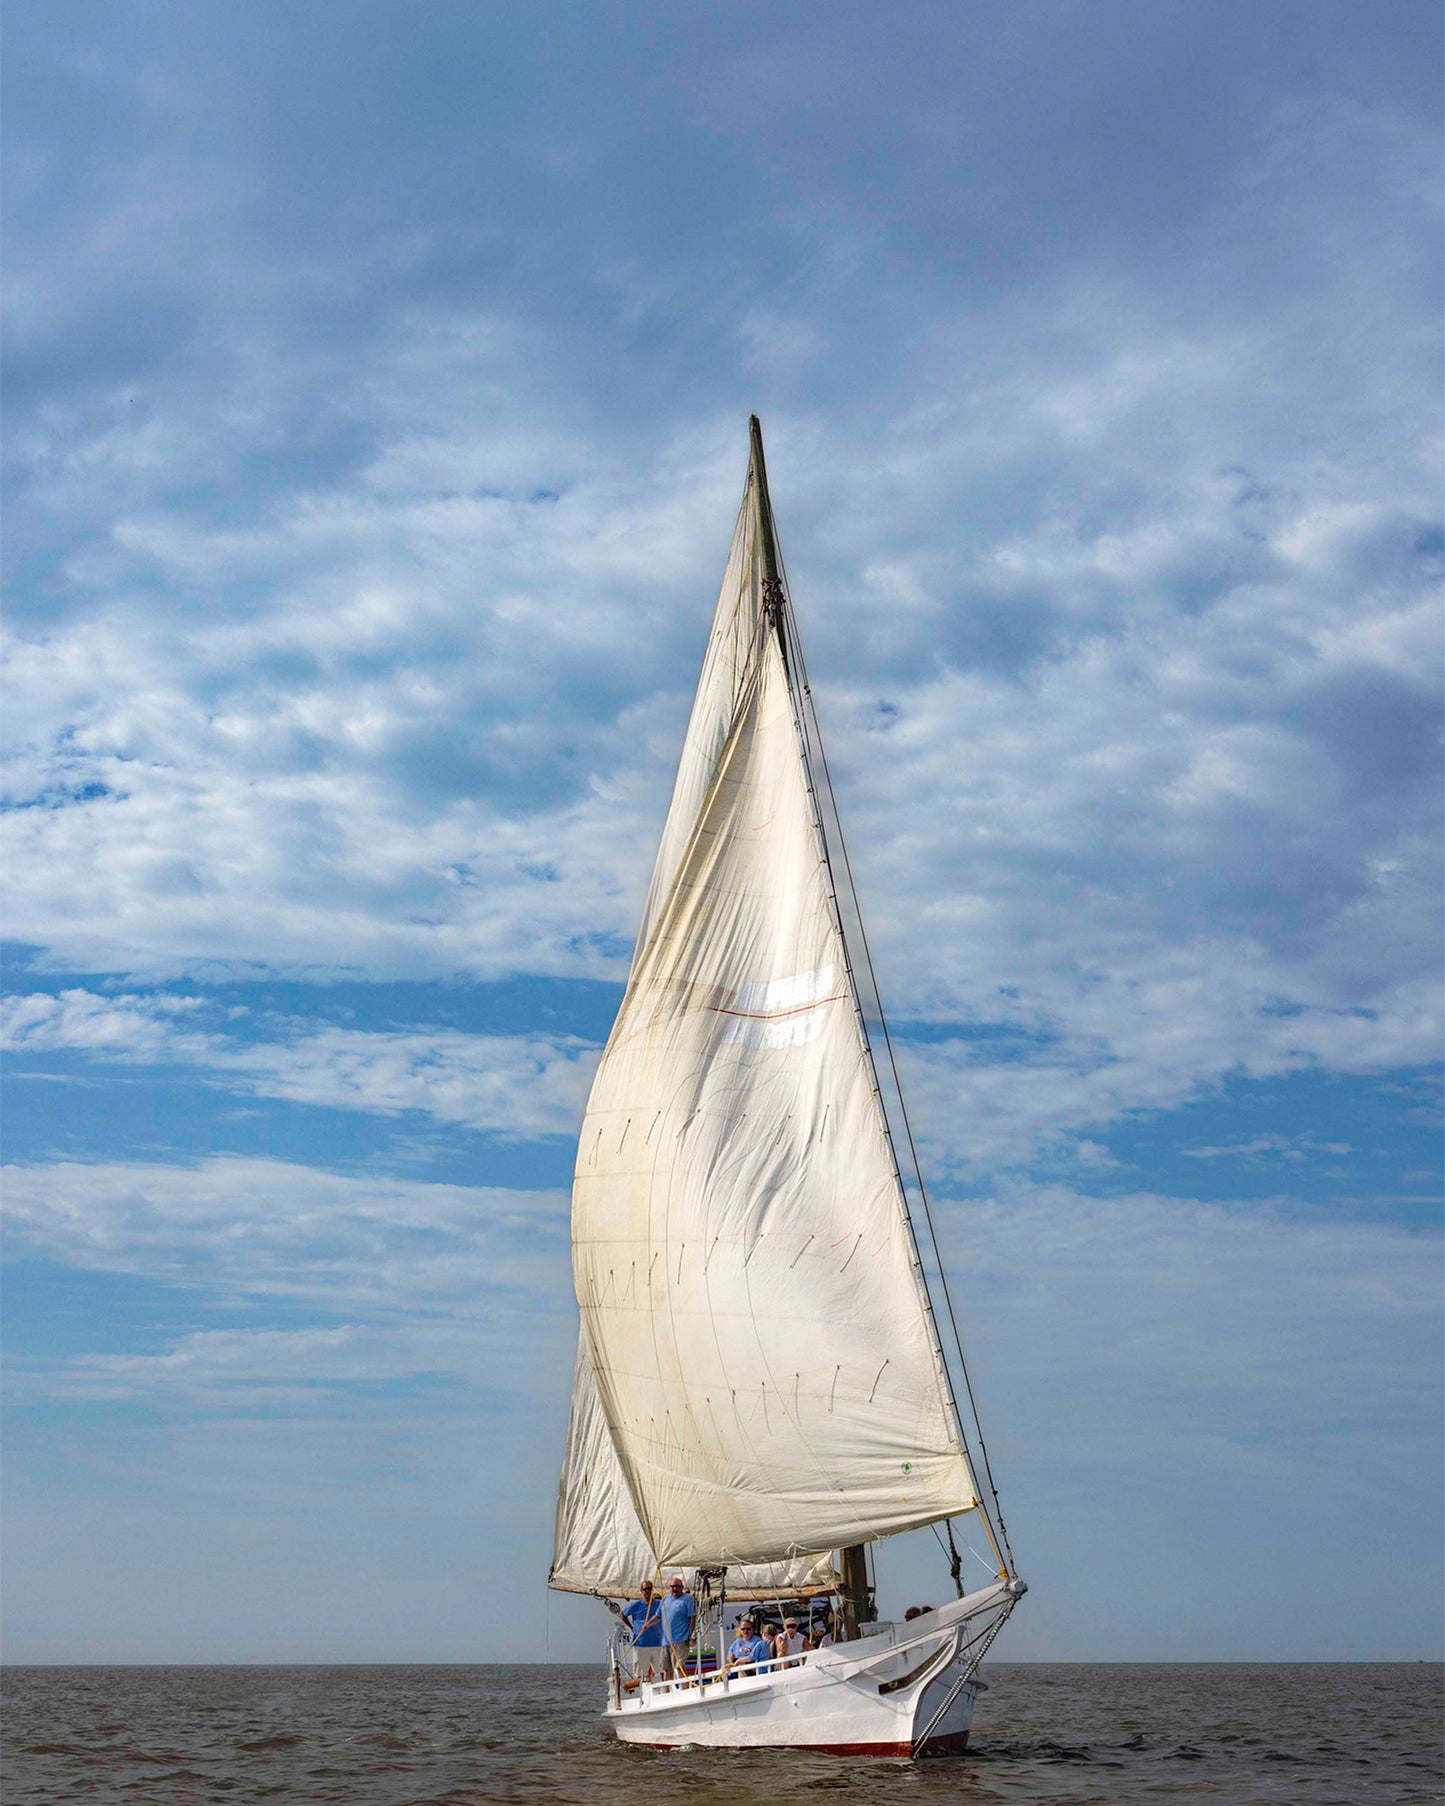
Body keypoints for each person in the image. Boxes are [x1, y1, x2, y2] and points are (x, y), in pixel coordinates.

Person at [620, 1579, 664, 1677]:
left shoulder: (659, 1604)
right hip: (641, 1643)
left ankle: (666, 1686)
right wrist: (632, 1627)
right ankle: (644, 1685)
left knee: (663, 1670)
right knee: (641, 1673)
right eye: (645, 1589)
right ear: (641, 1591)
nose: (647, 1591)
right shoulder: (636, 1605)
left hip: (657, 1642)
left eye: (649, 1589)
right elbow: (623, 1614)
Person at [661, 1574, 697, 1676]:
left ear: (682, 1587)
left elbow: (692, 1618)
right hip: (666, 1640)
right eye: (672, 1586)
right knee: (667, 1669)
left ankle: (685, 1685)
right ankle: (668, 1687)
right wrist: (647, 1624)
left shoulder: (688, 1599)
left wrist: (691, 1636)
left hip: (681, 1640)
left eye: (678, 1586)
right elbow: (658, 1615)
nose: (675, 1589)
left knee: (679, 1667)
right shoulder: (665, 1599)